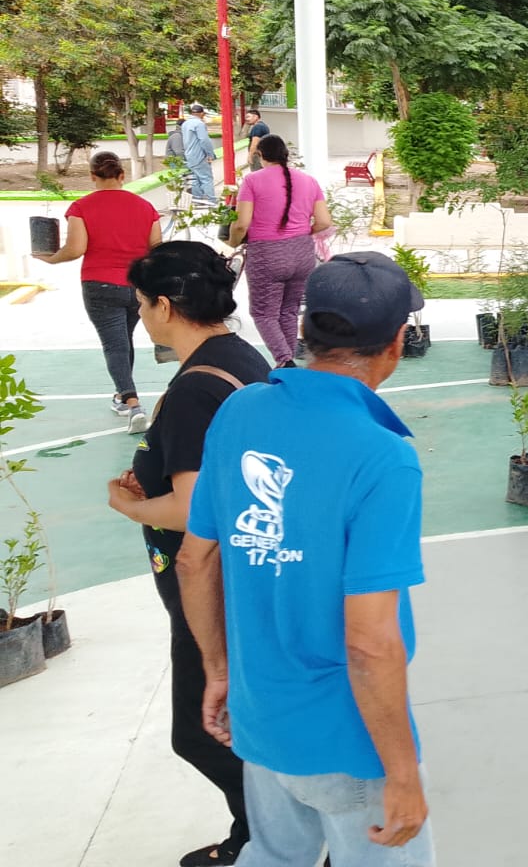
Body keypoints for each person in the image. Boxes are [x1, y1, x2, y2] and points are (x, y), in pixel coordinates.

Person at [177, 252, 434, 866]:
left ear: (303, 328)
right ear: (396, 343)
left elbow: (194, 560)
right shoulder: (383, 457)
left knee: (273, 856)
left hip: (260, 717)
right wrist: (401, 773)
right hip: (343, 737)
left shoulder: (240, 410)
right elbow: (368, 641)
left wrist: (218, 671)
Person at [106, 241, 271, 866]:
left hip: (211, 589)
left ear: (166, 306)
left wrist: (132, 506)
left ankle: (275, 836)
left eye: (141, 304)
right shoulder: (238, 356)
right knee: (238, 723)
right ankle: (260, 833)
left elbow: (195, 510)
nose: (140, 315)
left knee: (202, 734)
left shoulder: (196, 389)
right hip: (248, 575)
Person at [33, 149, 162, 432]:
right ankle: (121, 396)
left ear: (93, 176)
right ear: (122, 175)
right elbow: (156, 249)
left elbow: (76, 249)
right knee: (124, 340)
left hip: (99, 284)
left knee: (114, 344)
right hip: (137, 285)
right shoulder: (145, 207)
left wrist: (52, 259)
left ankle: (132, 403)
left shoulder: (81, 208)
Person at [229, 134, 333, 369]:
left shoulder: (252, 181)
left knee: (264, 314)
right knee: (289, 311)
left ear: (260, 155)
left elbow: (242, 224)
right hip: (302, 253)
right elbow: (325, 221)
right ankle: (287, 360)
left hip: (267, 254)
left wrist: (233, 242)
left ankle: (285, 362)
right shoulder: (309, 181)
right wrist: (303, 232)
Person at [180, 103, 219, 204]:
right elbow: (204, 140)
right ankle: (211, 201)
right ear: (202, 114)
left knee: (195, 178)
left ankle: (197, 200)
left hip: (189, 155)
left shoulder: (185, 124)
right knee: (206, 178)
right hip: (199, 155)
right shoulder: (199, 124)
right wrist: (210, 154)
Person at [243, 108, 269, 173]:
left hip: (257, 156)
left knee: (256, 174)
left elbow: (255, 142)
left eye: (248, 117)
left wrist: (250, 155)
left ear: (256, 117)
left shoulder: (257, 127)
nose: (246, 119)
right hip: (263, 155)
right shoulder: (263, 126)